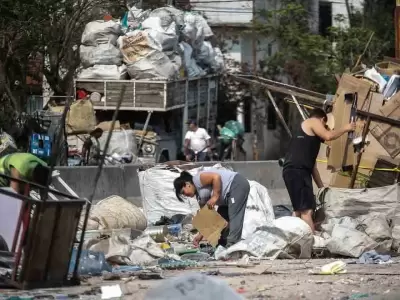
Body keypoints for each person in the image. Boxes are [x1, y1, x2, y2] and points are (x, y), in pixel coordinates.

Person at [282, 108, 356, 233]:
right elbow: (328, 136)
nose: (325, 128)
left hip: (297, 172)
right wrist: (347, 127)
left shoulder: (308, 143)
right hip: (297, 171)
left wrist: (321, 188)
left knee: (299, 211)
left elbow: (313, 168)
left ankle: (293, 239)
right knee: (307, 211)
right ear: (322, 119)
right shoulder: (313, 121)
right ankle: (312, 243)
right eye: (325, 125)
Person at [173, 169, 250, 247]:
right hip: (226, 198)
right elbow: (207, 217)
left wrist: (215, 196)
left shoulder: (198, 179)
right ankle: (222, 243)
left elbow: (216, 177)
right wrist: (200, 235)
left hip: (236, 184)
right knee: (219, 221)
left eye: (183, 192)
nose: (185, 195)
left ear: (187, 184)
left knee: (234, 216)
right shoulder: (200, 197)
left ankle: (232, 245)